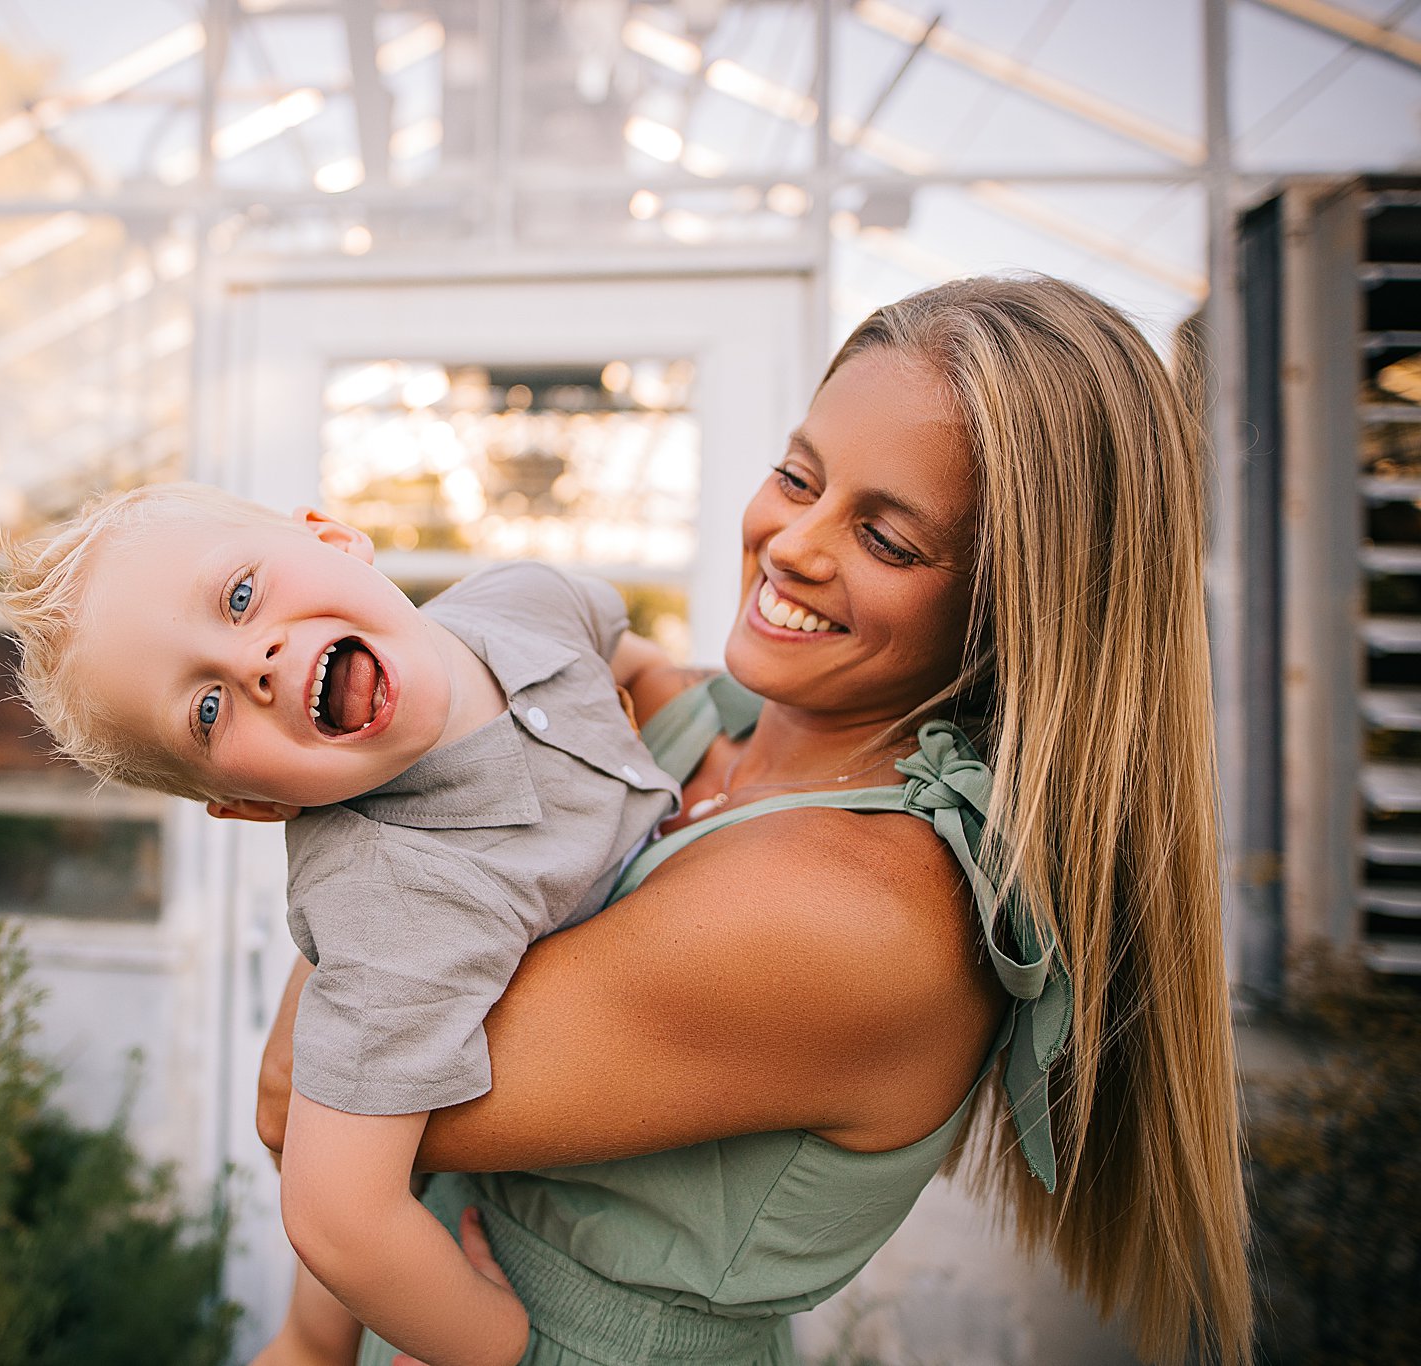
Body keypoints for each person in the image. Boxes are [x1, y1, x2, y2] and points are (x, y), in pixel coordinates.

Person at [256, 275, 1254, 1366]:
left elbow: (305, 1092)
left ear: (1009, 608)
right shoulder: (697, 734)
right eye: (797, 477)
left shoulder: (848, 910)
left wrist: (382, 779)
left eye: (885, 539)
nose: (791, 544)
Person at [0, 483, 689, 1365]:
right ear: (251, 804)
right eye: (207, 710)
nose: (254, 662)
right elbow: (338, 1214)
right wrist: (497, 1342)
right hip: (511, 1223)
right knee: (317, 1332)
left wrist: (675, 705)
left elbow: (618, 645)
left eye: (240, 596)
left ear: (337, 538)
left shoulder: (521, 599)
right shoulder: (396, 897)